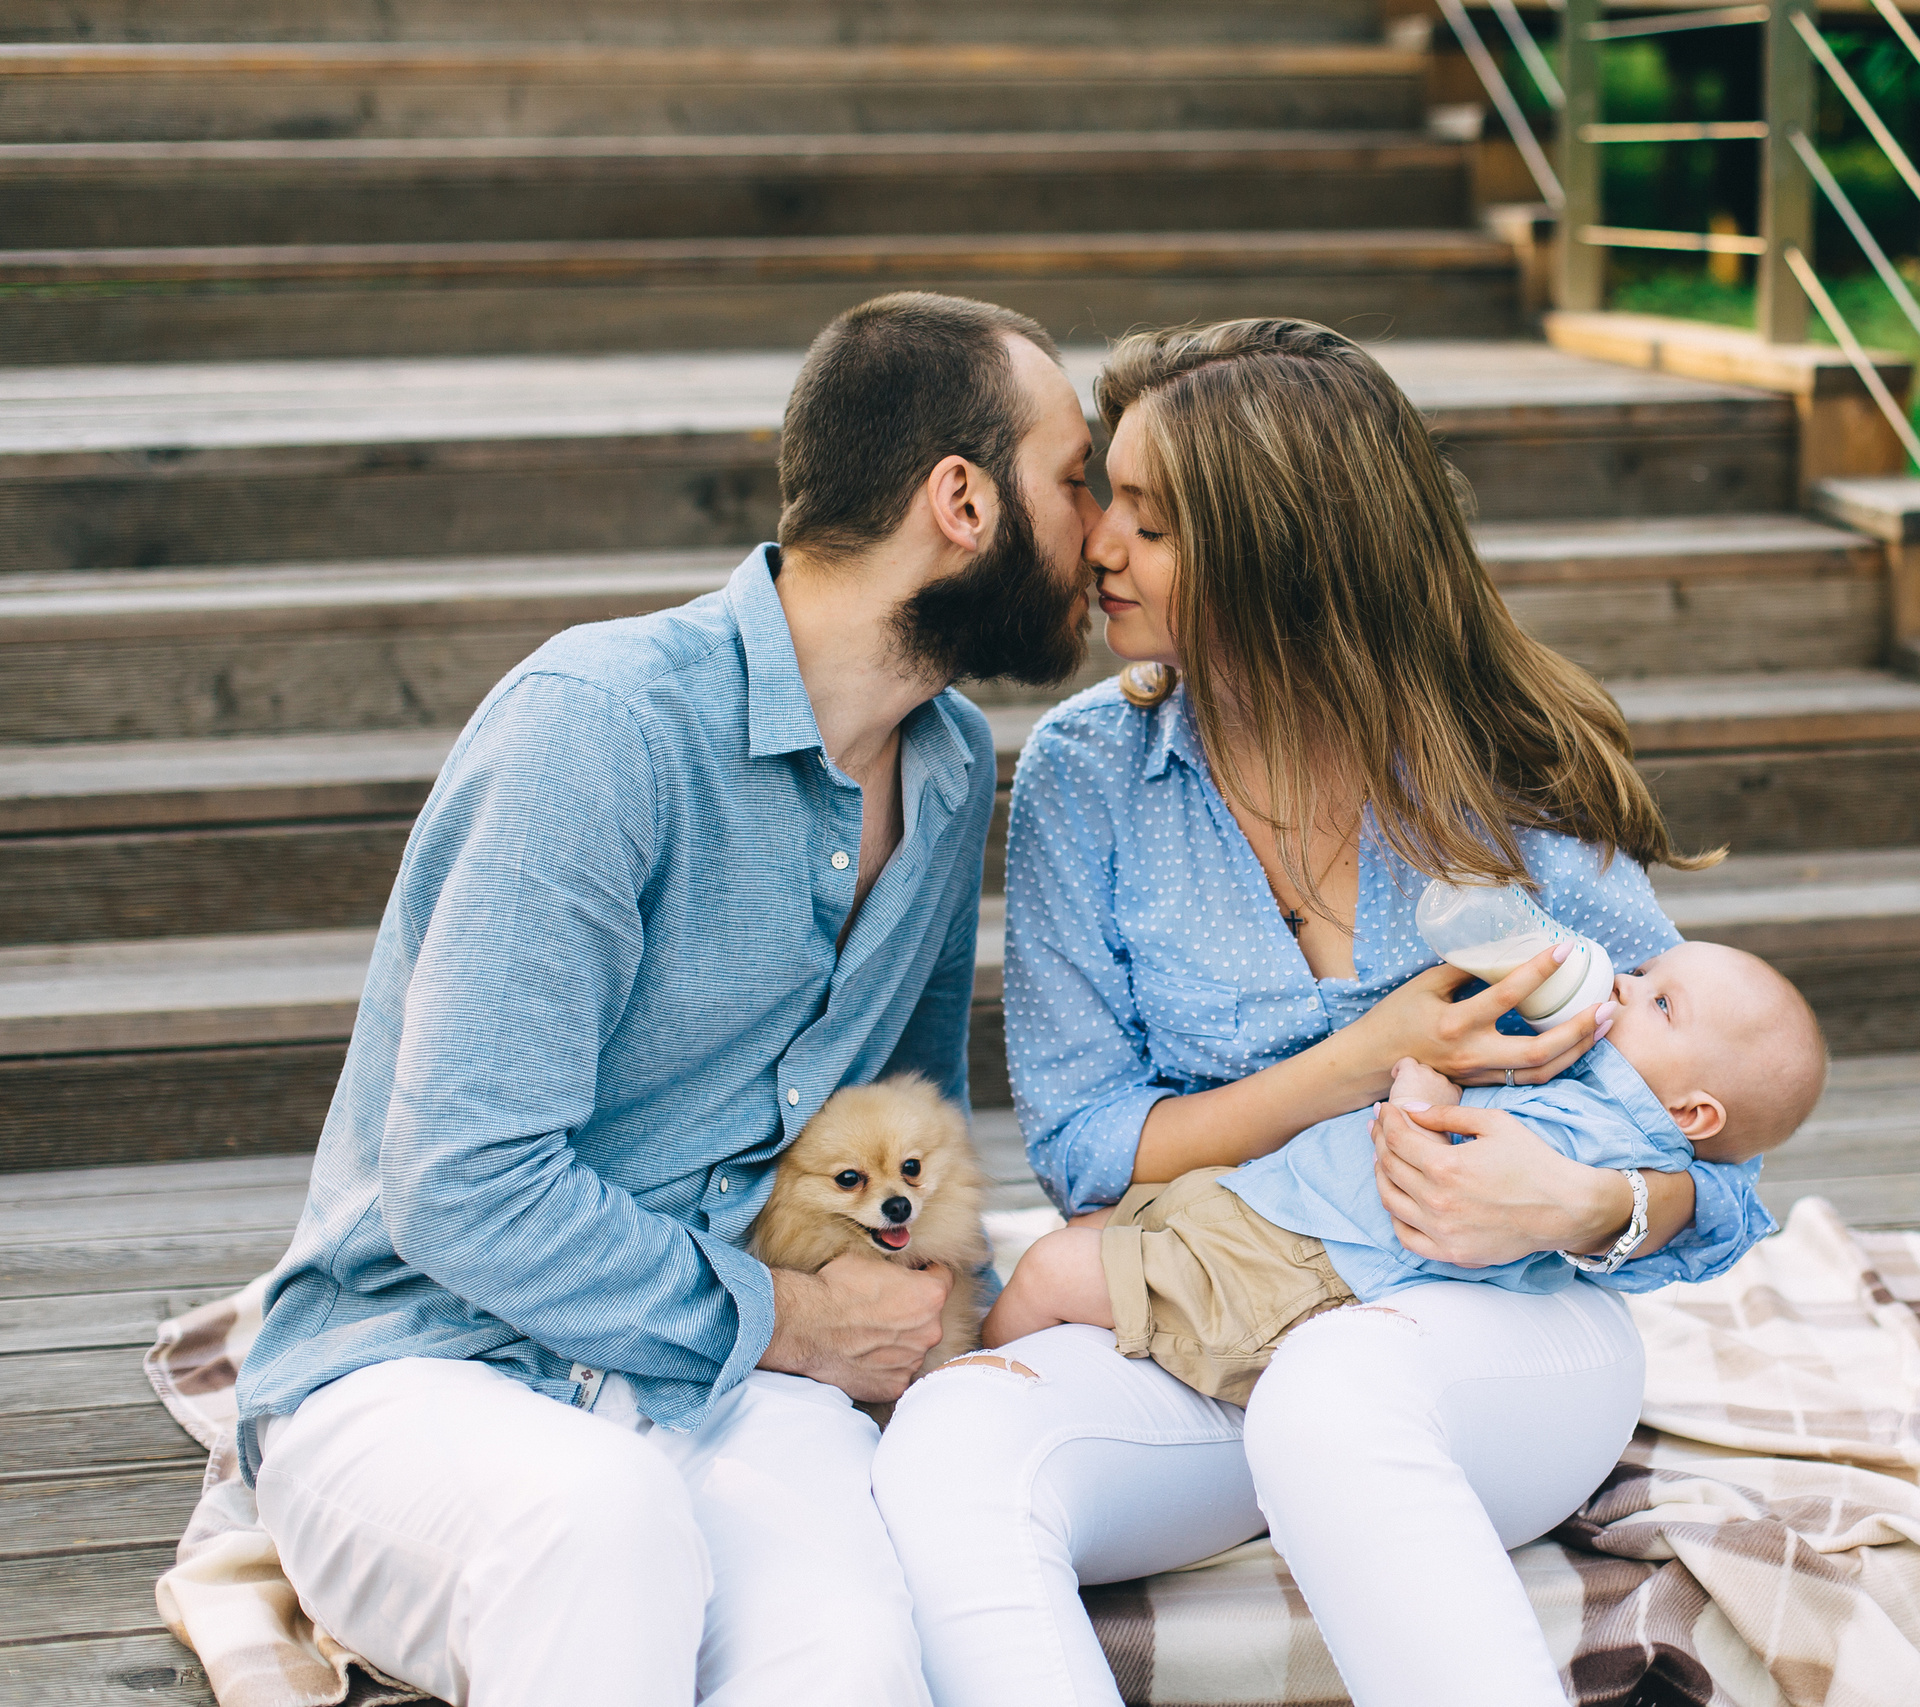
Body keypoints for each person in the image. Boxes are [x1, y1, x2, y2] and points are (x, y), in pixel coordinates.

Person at [872, 318, 1779, 1707]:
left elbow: (1718, 1147)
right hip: (1212, 1323)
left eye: (1152, 522)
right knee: (951, 1441)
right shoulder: (1087, 772)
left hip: (1496, 1333)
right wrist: (1367, 1058)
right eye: (1108, 498)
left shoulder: (1500, 767)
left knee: (1339, 1389)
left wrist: (1587, 1203)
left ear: (1283, 553)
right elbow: (1087, 1151)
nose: (1098, 542)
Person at [231, 292, 1099, 1707]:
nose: (1104, 528)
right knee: (602, 1523)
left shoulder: (947, 769)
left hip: (724, 1389)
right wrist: (794, 1320)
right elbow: (462, 1185)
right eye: (1077, 478)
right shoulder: (600, 725)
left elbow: (906, 1128)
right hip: (425, 1363)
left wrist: (940, 1324)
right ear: (964, 502)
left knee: (853, 1655)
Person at [980, 940, 1827, 1403]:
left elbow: (1456, 1173)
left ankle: (962, 1387)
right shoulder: (1592, 1077)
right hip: (1269, 1207)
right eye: (1643, 976)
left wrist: (1423, 1084)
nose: (1627, 982)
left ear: (1693, 1114)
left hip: (1297, 1273)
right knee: (1102, 1233)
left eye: (1661, 1002)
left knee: (1053, 1270)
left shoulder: (1600, 1132)